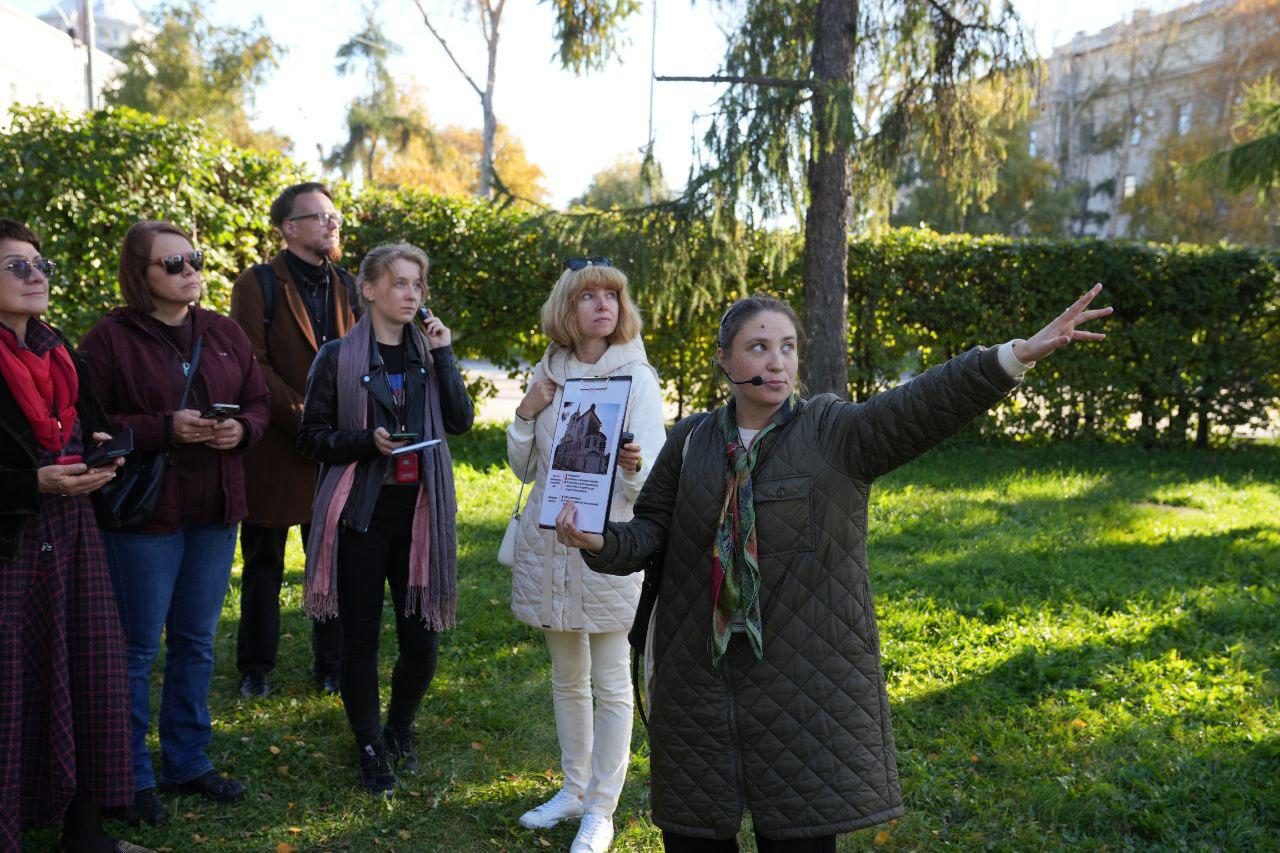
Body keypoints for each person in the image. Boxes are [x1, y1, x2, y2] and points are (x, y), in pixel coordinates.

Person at [555, 290, 1113, 851]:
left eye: (787, 347)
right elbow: (651, 531)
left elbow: (921, 403)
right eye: (758, 347)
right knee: (696, 835)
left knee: (796, 837)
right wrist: (599, 539)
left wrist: (1016, 356)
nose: (778, 362)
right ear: (724, 359)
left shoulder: (832, 432)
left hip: (801, 687)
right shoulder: (692, 439)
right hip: (697, 682)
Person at [79, 221, 271, 827]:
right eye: (173, 263)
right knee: (136, 649)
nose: (190, 271)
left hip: (214, 509)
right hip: (146, 515)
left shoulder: (223, 331)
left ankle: (187, 761)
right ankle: (129, 775)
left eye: (194, 259)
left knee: (195, 641)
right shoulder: (109, 339)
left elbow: (259, 402)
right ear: (140, 274)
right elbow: (88, 423)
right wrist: (163, 428)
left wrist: (241, 429)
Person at [297, 243, 473, 797]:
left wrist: (445, 354)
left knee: (422, 641)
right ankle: (370, 746)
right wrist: (363, 441)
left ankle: (400, 727)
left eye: (417, 284)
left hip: (421, 514)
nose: (411, 294)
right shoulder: (336, 357)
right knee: (362, 641)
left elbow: (460, 421)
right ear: (369, 290)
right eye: (399, 283)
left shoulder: (428, 353)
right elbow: (311, 438)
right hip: (362, 514)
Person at [507, 258, 667, 853]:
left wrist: (633, 465)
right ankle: (574, 790)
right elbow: (524, 469)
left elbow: (651, 480)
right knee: (567, 677)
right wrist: (526, 411)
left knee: (611, 680)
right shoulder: (547, 372)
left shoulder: (637, 377)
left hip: (608, 545)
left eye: (612, 295)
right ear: (566, 308)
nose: (603, 305)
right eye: (589, 296)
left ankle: (601, 810)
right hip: (551, 542)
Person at [0, 218, 148, 852]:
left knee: (88, 673)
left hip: (72, 531)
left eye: (40, 265)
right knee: (11, 687)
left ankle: (85, 833)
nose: (36, 275)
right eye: (17, 266)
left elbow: (88, 425)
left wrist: (101, 448)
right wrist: (32, 483)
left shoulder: (58, 350)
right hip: (10, 544)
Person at [229, 181, 357, 699]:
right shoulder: (256, 283)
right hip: (276, 446)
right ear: (289, 227)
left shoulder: (349, 284)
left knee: (331, 561)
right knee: (263, 562)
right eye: (320, 216)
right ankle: (256, 666)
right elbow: (251, 364)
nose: (332, 223)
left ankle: (332, 664)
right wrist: (304, 418)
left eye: (335, 215)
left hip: (337, 446)